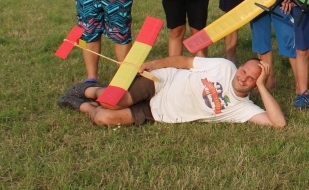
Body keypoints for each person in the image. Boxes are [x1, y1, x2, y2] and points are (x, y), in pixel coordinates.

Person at [57, 57, 285, 128]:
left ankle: (81, 105)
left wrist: (262, 87)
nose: (242, 78)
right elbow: (185, 61)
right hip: (162, 82)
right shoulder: (224, 67)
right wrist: (152, 65)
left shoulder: (242, 108)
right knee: (112, 102)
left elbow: (278, 123)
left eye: (251, 79)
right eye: (243, 71)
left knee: (104, 118)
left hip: (160, 112)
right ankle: (91, 90)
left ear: (256, 84)